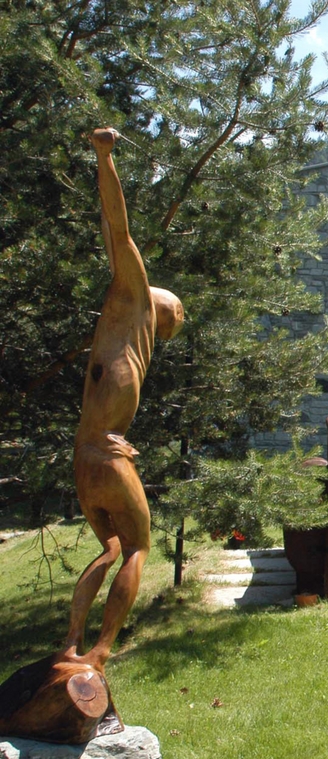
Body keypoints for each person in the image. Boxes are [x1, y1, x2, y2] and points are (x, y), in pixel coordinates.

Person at [63, 128, 184, 669]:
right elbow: (119, 226)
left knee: (110, 548)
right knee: (135, 547)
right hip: (108, 454)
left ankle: (71, 643)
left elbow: (118, 232)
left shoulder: (127, 320)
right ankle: (102, 650)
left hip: (85, 454)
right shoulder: (132, 299)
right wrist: (104, 157)